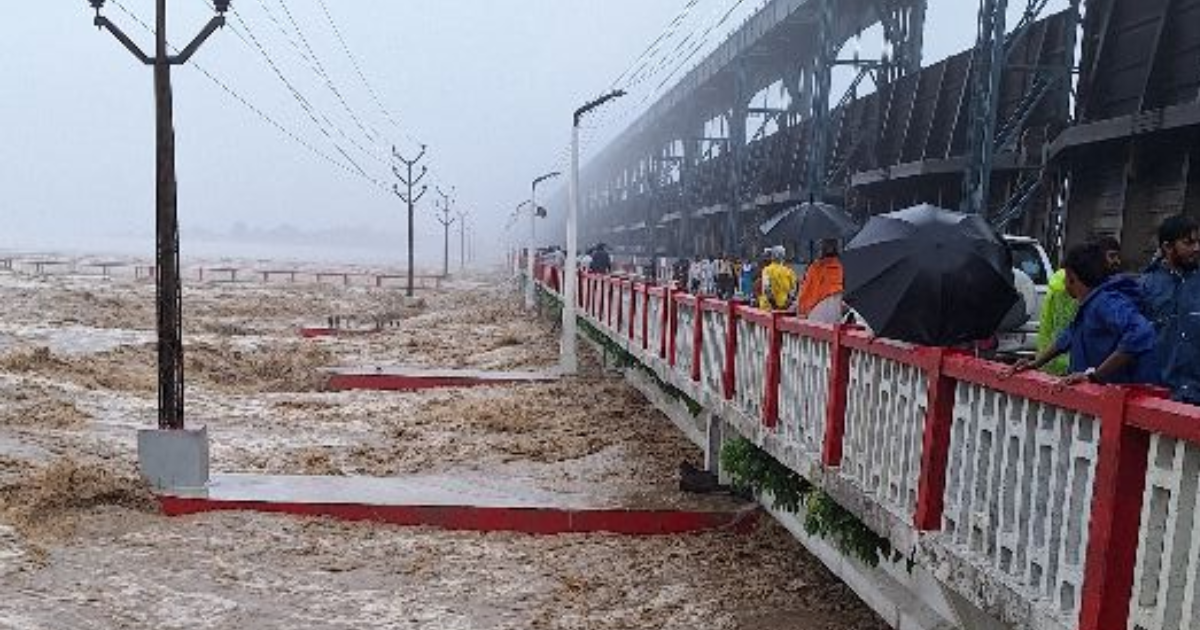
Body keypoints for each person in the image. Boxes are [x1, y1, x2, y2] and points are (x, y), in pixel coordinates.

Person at [1007, 242, 1158, 386]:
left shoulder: (1105, 302)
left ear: (1071, 276)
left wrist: (1095, 376)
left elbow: (1141, 333)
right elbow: (1068, 337)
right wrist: (1035, 363)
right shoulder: (1089, 305)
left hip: (1113, 394)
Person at [1141, 215, 1200, 404]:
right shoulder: (1145, 286)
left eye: (1198, 242)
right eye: (1188, 243)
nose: (1197, 248)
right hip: (1156, 397)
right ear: (1167, 247)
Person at [797, 239, 844, 324]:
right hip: (836, 310)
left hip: (817, 310)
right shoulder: (840, 267)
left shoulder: (815, 267)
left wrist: (801, 310)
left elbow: (806, 290)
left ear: (821, 249)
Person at [759, 246, 798, 311]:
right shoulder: (789, 271)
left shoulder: (767, 270)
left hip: (768, 308)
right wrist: (787, 303)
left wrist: (775, 306)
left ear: (772, 256)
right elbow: (794, 290)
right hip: (784, 307)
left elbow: (767, 289)